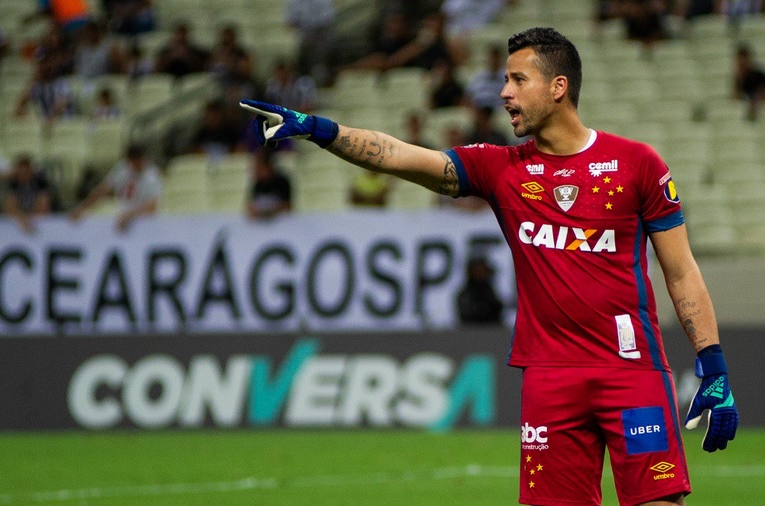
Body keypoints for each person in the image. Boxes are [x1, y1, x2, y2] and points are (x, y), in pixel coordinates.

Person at [240, 26, 739, 506]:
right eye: (505, 80)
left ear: (558, 87)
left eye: (518, 80)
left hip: (630, 374)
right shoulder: (500, 169)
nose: (504, 92)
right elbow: (396, 156)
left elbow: (681, 271)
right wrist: (318, 128)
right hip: (549, 382)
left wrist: (712, 366)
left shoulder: (638, 164)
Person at [70, 144, 161, 232]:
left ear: (142, 159)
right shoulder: (122, 168)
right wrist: (82, 208)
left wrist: (129, 216)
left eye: (136, 162)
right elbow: (103, 189)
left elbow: (152, 205)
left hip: (142, 219)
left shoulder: (152, 175)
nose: (133, 165)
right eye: (131, 162)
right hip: (121, 212)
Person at [3, 154, 53, 233]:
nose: (23, 176)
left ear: (31, 170)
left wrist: (29, 219)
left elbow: (44, 206)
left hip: (45, 220)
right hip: (25, 215)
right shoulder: (14, 182)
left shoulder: (40, 181)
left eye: (26, 173)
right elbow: (9, 207)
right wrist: (22, 218)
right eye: (20, 173)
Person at [456, 256, 504, 325]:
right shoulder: (466, 295)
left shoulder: (490, 293)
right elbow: (467, 318)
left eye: (483, 271)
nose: (481, 274)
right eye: (478, 271)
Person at [247, 149, 291, 220]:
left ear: (268, 167)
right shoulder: (257, 184)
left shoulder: (282, 182)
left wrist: (270, 212)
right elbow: (250, 208)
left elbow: (288, 206)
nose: (256, 172)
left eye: (259, 169)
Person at [732, 43, 765, 121]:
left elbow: (762, 94)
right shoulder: (738, 78)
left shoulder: (758, 75)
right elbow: (736, 96)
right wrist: (740, 78)